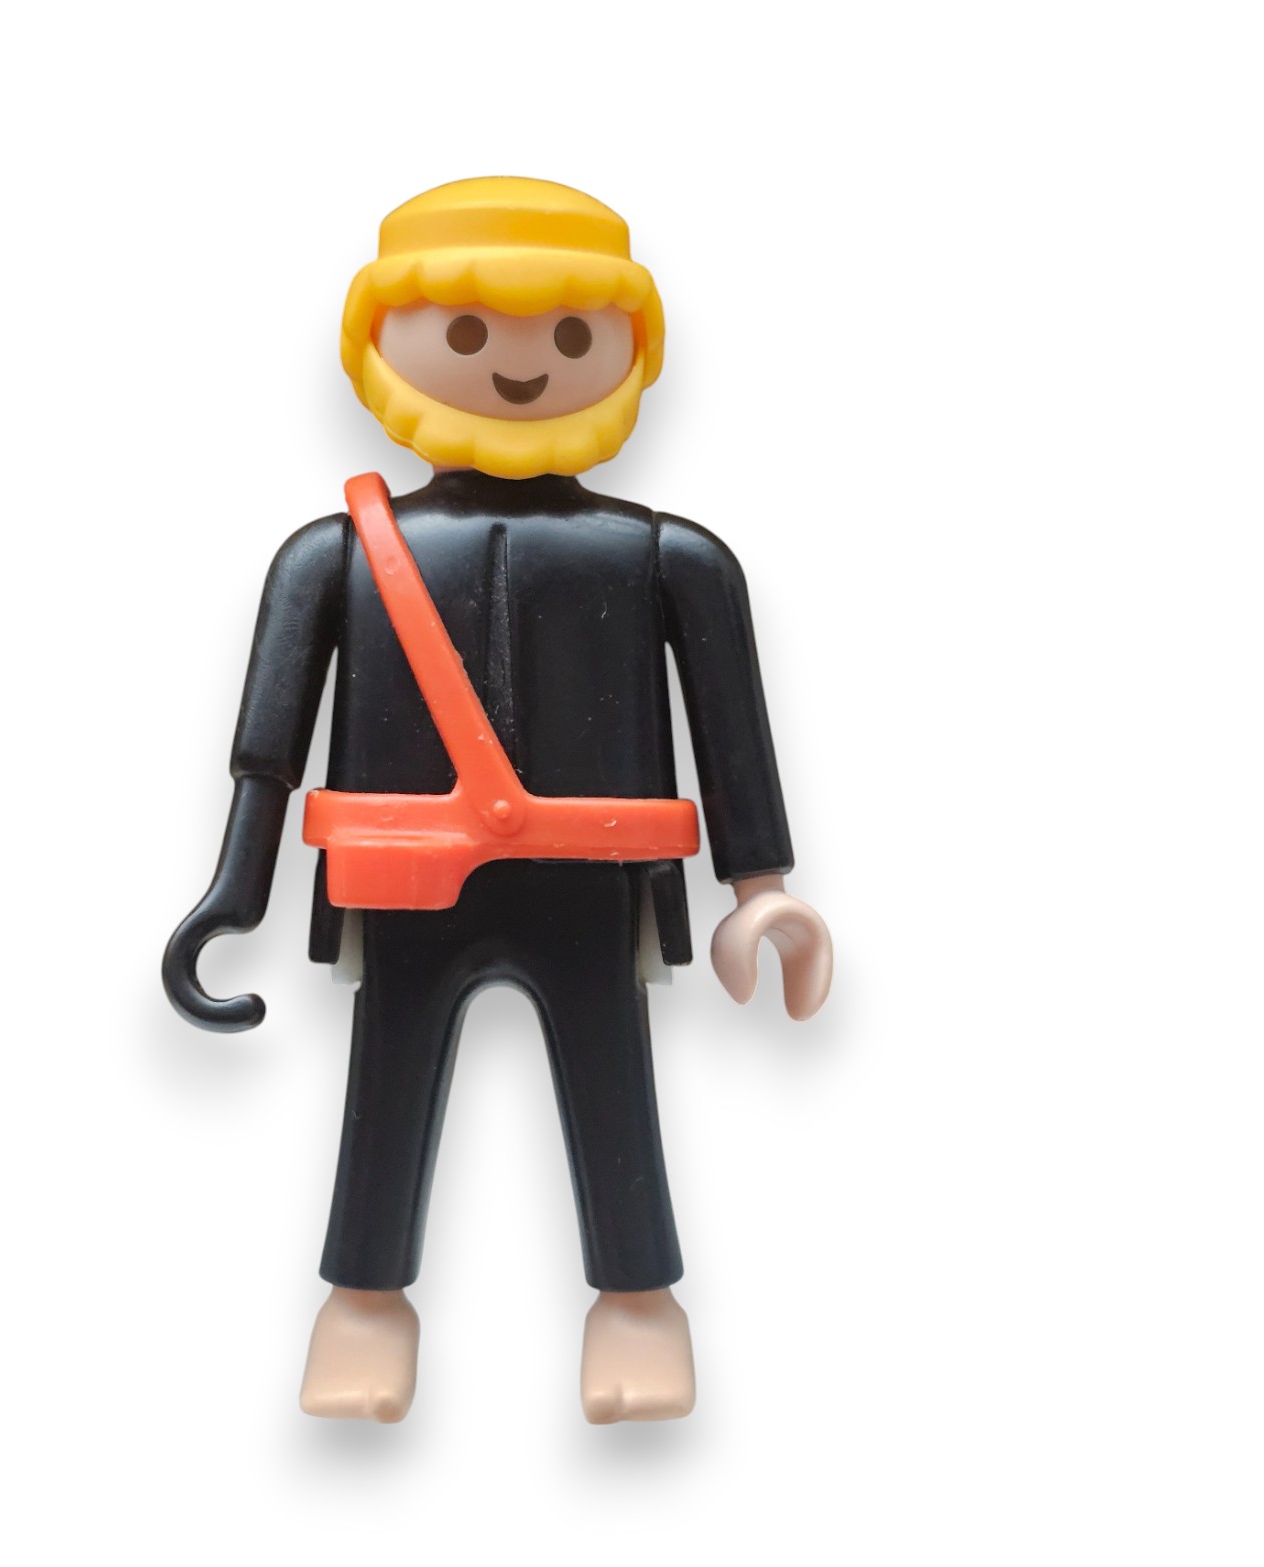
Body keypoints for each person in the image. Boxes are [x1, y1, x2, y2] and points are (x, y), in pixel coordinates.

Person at [163, 177, 833, 1423]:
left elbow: (732, 729)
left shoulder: (669, 557)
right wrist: (231, 892)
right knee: (387, 1075)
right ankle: (363, 1305)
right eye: (467, 332)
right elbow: (268, 749)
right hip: (403, 876)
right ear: (380, 342)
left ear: (632, 349)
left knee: (613, 1075)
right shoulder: (333, 555)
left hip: (595, 876)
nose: (521, 365)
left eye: (573, 333)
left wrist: (763, 886)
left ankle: (638, 1303)